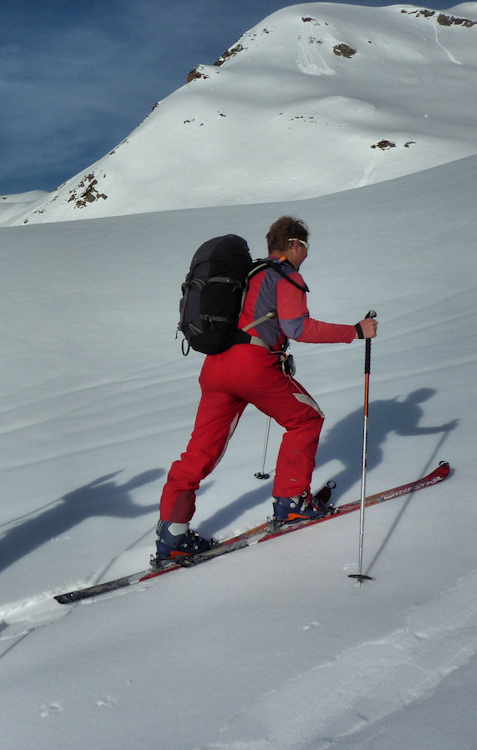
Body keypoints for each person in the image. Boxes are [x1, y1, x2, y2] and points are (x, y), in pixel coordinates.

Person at [155, 217, 378, 562]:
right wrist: (355, 331)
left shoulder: (248, 274)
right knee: (306, 419)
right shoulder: (284, 274)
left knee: (200, 452)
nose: (306, 253)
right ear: (293, 244)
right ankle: (290, 504)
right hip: (252, 366)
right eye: (304, 246)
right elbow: (296, 327)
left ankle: (172, 534)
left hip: (216, 368)